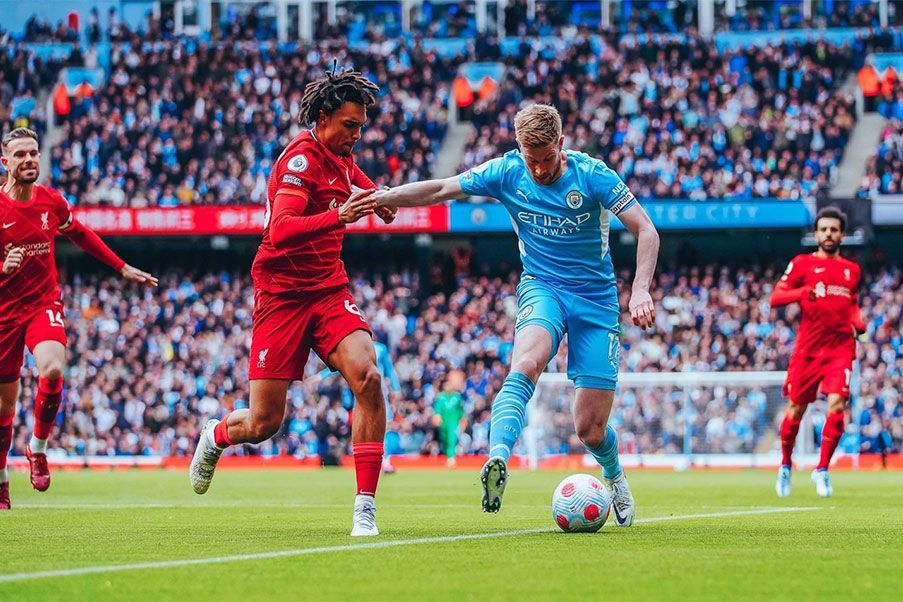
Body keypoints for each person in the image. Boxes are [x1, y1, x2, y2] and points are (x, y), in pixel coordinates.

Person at [375, 104, 659, 525]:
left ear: (561, 145)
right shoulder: (506, 171)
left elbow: (646, 230)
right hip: (542, 287)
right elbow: (441, 189)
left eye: (547, 159)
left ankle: (614, 473)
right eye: (532, 160)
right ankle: (497, 460)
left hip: (596, 300)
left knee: (590, 430)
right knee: (526, 362)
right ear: (520, 150)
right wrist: (388, 197)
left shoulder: (592, 174)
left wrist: (639, 291)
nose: (540, 170)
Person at [188, 66, 397, 537]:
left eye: (361, 127)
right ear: (323, 118)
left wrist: (376, 196)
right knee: (264, 423)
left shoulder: (339, 153)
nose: (356, 136)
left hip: (328, 289)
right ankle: (217, 434)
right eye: (350, 125)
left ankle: (365, 506)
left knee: (367, 376)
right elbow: (279, 230)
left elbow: (353, 175)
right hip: (281, 295)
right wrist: (339, 215)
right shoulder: (300, 160)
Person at [0, 128, 157, 510]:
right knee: (4, 408)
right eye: (20, 155)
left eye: (33, 153)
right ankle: (2, 478)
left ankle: (37, 449)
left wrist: (120, 267)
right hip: (4, 313)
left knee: (52, 371)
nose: (29, 160)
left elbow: (82, 234)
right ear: (5, 163)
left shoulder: (51, 201)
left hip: (42, 305)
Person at [771, 207, 864, 498]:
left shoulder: (852, 270)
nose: (828, 234)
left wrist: (857, 324)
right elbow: (776, 297)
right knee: (796, 409)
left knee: (837, 405)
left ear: (842, 234)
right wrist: (802, 292)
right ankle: (786, 464)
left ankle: (822, 469)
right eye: (823, 229)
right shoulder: (802, 264)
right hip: (808, 350)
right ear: (816, 233)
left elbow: (853, 304)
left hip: (840, 348)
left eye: (834, 230)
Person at [317, 340, 403, 473]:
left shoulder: (380, 348)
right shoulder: (355, 346)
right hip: (359, 392)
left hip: (380, 392)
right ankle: (366, 461)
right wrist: (321, 376)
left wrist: (396, 388)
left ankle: (384, 461)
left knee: (384, 426)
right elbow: (341, 366)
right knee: (363, 427)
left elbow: (389, 369)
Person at [434, 371, 465, 468]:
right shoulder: (441, 397)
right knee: (444, 440)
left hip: (453, 422)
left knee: (452, 439)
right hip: (443, 423)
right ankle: (447, 457)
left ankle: (451, 459)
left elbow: (460, 410)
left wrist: (462, 419)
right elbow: (437, 409)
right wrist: (437, 416)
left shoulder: (457, 397)